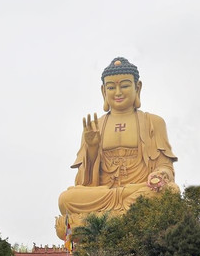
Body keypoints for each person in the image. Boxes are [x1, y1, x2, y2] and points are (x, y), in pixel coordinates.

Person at [56, 57, 178, 240]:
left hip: (138, 191)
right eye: (111, 87)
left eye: (125, 86)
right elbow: (84, 182)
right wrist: (92, 148)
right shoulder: (95, 126)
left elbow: (165, 166)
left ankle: (95, 221)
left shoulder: (154, 122)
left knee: (171, 191)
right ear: (103, 91)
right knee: (66, 199)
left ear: (137, 88)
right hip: (106, 195)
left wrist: (159, 176)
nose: (118, 92)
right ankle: (123, 217)